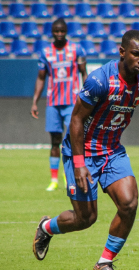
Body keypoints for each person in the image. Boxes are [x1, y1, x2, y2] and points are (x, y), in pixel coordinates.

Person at [32, 30, 139, 270]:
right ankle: (46, 227)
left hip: (112, 152)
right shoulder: (100, 80)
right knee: (85, 219)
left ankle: (104, 263)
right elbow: (76, 120)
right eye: (135, 54)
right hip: (82, 151)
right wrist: (79, 163)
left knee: (129, 203)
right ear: (122, 52)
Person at [31, 18, 88, 191]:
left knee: (72, 140)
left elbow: (84, 74)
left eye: (62, 31)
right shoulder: (46, 52)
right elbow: (41, 77)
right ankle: (54, 179)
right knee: (55, 141)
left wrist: (88, 98)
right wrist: (35, 101)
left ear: (66, 31)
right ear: (52, 32)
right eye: (56, 31)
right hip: (53, 103)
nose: (59, 34)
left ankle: (68, 175)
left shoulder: (76, 49)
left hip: (72, 102)